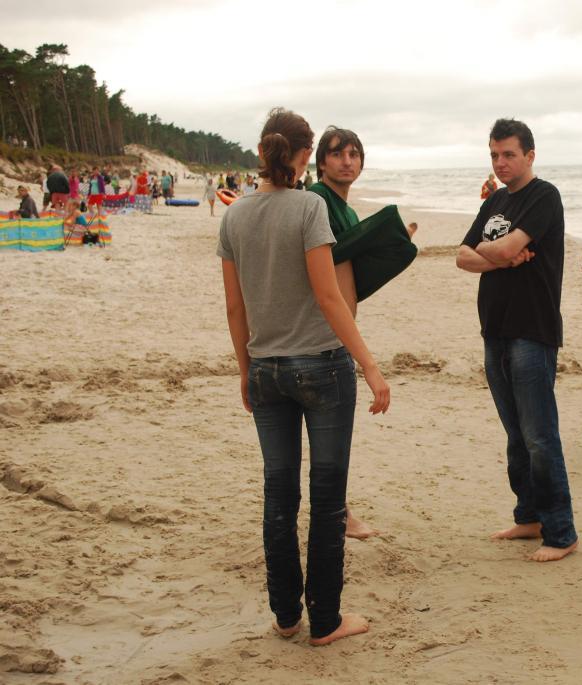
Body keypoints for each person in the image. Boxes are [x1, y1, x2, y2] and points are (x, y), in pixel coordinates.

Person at [218, 107, 388, 645]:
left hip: (265, 370)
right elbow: (328, 296)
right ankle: (327, 622)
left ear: (262, 151)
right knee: (328, 498)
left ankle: (287, 616)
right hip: (321, 367)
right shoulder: (311, 206)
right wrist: (369, 365)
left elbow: (235, 308)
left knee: (279, 495)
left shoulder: (234, 215)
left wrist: (245, 370)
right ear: (307, 154)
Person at [456, 118, 578, 562]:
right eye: (494, 155)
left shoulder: (544, 196)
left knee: (539, 436)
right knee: (515, 434)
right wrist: (503, 259)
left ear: (529, 155)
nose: (501, 162)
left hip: (532, 329)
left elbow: (495, 250)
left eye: (509, 154)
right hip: (495, 328)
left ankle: (561, 532)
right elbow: (462, 256)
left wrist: (494, 253)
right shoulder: (496, 201)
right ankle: (529, 517)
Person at [306, 125, 380, 540]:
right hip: (321, 332)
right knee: (329, 438)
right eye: (337, 154)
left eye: (353, 154)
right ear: (321, 162)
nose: (347, 161)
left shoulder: (345, 209)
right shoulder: (317, 199)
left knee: (328, 439)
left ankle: (338, 512)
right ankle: (340, 515)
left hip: (337, 328)